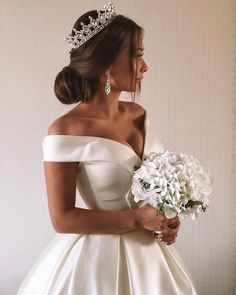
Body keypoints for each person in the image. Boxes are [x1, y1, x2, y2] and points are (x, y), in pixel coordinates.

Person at [17, 3, 198, 294]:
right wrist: (139, 218)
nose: (145, 65)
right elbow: (62, 218)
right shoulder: (64, 131)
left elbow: (153, 188)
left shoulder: (140, 115)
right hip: (95, 264)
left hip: (152, 260)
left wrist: (168, 216)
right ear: (106, 67)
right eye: (136, 55)